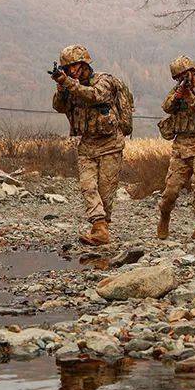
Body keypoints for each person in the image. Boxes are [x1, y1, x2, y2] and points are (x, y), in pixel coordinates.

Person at [52, 45, 127, 246]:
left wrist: (68, 83)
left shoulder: (104, 81)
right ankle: (99, 228)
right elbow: (59, 107)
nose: (71, 71)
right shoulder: (70, 86)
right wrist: (61, 89)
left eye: (73, 66)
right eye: (67, 68)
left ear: (84, 64)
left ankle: (101, 228)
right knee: (88, 187)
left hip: (111, 144)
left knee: (106, 192)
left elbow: (94, 95)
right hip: (87, 145)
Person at [157, 55, 195, 240]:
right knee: (171, 191)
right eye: (178, 77)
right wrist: (176, 98)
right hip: (181, 147)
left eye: (184, 75)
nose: (182, 80)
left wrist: (190, 98)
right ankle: (164, 216)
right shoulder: (177, 90)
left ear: (193, 72)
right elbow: (166, 107)